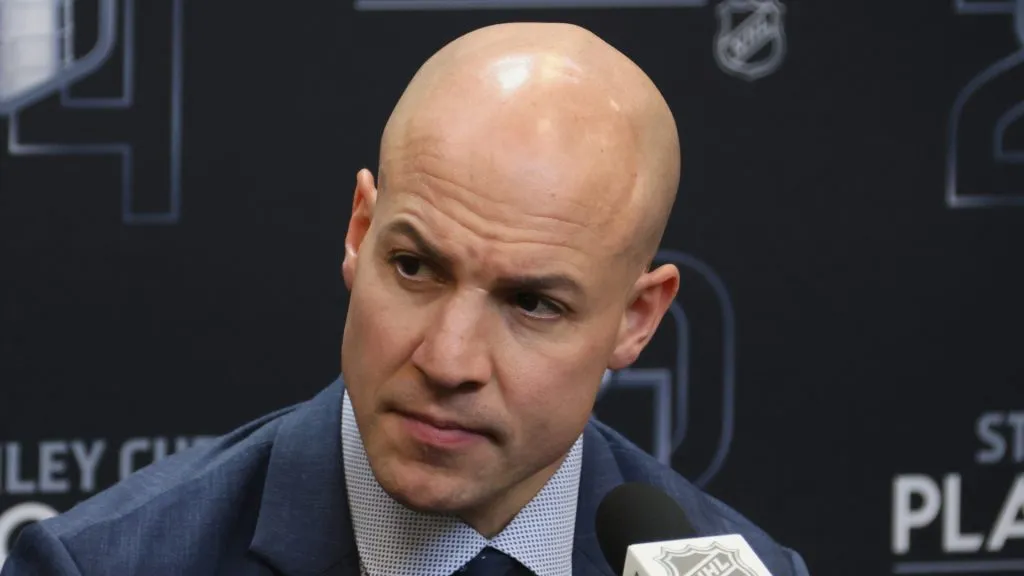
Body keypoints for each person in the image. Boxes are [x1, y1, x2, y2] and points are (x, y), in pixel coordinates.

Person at [1, 22, 809, 576]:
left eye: (532, 304)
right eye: (417, 267)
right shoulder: (108, 564)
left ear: (637, 320)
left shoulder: (750, 567)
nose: (447, 360)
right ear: (361, 230)